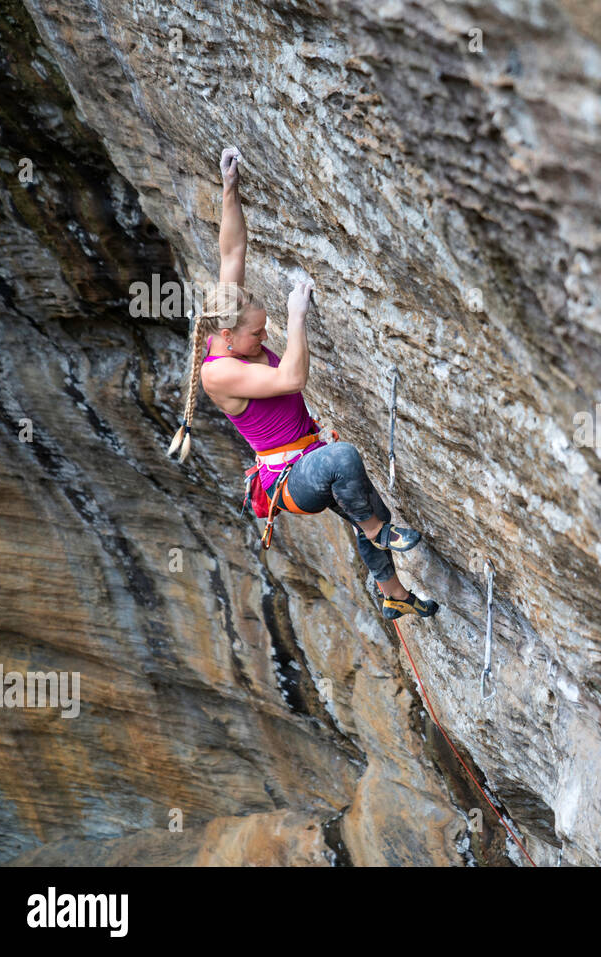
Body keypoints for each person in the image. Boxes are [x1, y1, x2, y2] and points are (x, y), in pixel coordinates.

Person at [167, 147, 438, 621]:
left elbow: (231, 250)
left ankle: (393, 591)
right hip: (289, 480)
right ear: (227, 337)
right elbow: (292, 376)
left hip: (306, 455)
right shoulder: (219, 370)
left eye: (267, 325)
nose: (264, 334)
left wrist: (229, 187)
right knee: (345, 461)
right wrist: (296, 318)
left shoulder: (226, 320)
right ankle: (378, 532)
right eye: (257, 332)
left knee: (361, 499)